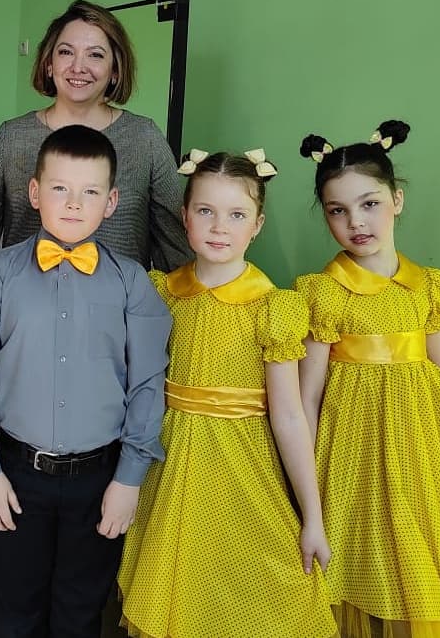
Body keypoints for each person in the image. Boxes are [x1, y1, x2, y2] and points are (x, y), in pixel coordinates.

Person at [0, 124, 172, 638]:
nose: (73, 203)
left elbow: (146, 385)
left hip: (101, 478)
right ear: (34, 193)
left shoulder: (133, 283)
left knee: (79, 615)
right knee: (13, 614)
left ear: (111, 202)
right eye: (60, 188)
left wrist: (129, 479)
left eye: (90, 191)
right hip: (12, 473)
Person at [118, 149, 336, 638]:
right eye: (206, 211)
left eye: (237, 215)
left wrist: (313, 517)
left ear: (257, 225)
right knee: (174, 595)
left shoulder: (273, 307)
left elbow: (289, 415)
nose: (220, 227)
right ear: (185, 217)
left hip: (242, 467)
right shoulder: (161, 293)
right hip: (168, 467)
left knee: (247, 592)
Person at [295, 120, 440, 638]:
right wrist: (307, 496)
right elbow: (307, 400)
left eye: (369, 203)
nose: (356, 221)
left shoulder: (426, 287)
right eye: (337, 210)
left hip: (418, 458)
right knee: (358, 573)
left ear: (397, 200)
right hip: (350, 463)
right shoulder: (323, 293)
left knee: (415, 574)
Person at [0, 0, 190, 271]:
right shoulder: (10, 139)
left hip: (121, 298)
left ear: (115, 70)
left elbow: (175, 248)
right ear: (49, 64)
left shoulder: (145, 139)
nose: (78, 67)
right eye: (66, 52)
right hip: (27, 296)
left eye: (95, 55)